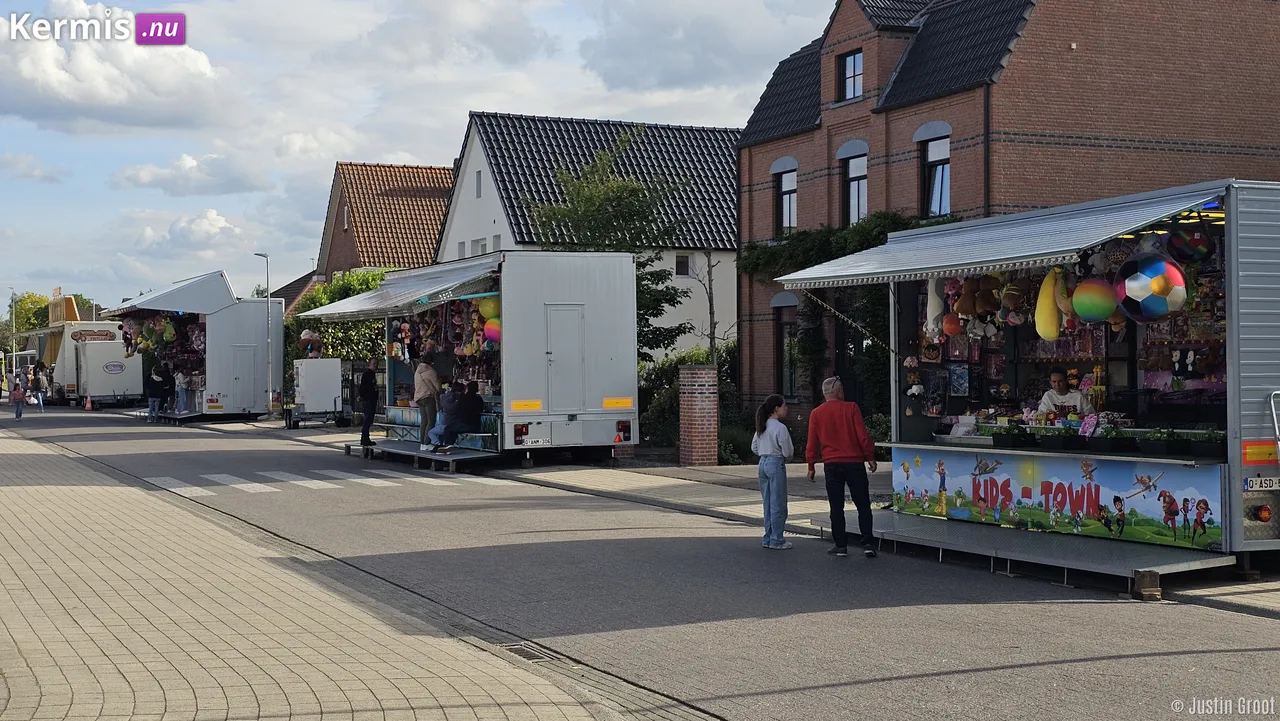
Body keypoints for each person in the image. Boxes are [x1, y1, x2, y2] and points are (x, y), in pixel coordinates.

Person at [806, 377, 879, 558]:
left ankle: (840, 545)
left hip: (831, 463)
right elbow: (862, 435)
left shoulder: (816, 413)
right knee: (862, 503)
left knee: (836, 505)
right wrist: (869, 456)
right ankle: (868, 542)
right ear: (838, 391)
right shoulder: (851, 408)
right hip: (854, 463)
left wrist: (811, 465)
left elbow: (812, 443)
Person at [751, 394, 793, 550]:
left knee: (767, 501)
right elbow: (787, 451)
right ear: (777, 409)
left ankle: (768, 537)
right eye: (784, 406)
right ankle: (777, 539)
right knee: (778, 503)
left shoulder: (762, 425)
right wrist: (784, 456)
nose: (786, 408)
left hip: (762, 462)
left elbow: (754, 447)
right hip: (776, 462)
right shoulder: (780, 428)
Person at [413, 355, 441, 452]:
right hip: (428, 397)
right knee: (431, 421)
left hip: (419, 398)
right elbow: (437, 387)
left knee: (424, 421)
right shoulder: (431, 371)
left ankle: (422, 444)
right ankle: (427, 442)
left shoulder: (417, 371)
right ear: (431, 363)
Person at [358, 358, 379, 447]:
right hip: (369, 400)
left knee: (369, 420)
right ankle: (365, 438)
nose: (375, 366)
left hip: (372, 400)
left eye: (376, 364)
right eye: (373, 364)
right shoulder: (367, 374)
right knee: (367, 420)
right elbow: (363, 388)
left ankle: (366, 438)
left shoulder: (372, 374)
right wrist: (365, 397)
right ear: (369, 364)